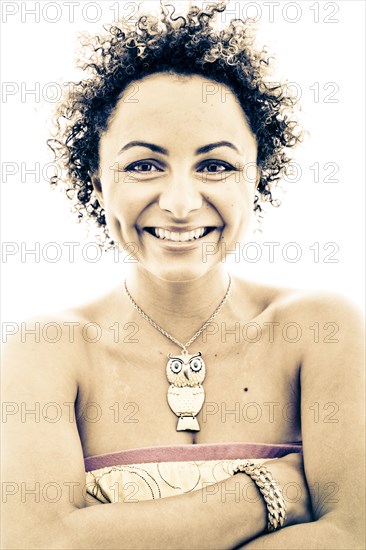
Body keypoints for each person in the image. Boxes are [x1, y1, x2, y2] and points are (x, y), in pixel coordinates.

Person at [2, 1, 364, 549]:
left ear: (256, 179)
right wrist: (265, 493)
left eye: (215, 165)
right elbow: (37, 543)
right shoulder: (44, 348)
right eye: (143, 165)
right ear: (98, 185)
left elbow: (353, 534)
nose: (179, 202)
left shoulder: (321, 328)